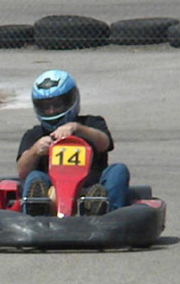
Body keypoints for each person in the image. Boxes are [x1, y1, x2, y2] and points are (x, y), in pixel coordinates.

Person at [17, 70, 130, 216]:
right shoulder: (35, 134)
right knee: (34, 177)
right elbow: (22, 171)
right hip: (53, 194)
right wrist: (35, 151)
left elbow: (105, 143)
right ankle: (36, 212)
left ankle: (105, 213)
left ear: (70, 100)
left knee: (118, 170)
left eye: (57, 105)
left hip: (92, 187)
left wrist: (77, 128)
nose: (51, 111)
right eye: (45, 107)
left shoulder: (91, 123)